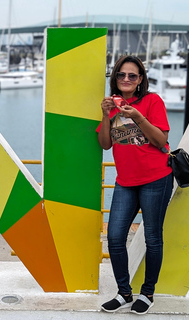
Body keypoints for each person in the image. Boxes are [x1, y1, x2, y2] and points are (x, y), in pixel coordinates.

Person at [97, 55, 173, 315]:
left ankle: (147, 293)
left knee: (153, 238)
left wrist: (139, 116)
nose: (126, 79)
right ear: (115, 79)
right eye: (121, 75)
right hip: (125, 181)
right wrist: (106, 114)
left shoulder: (152, 101)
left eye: (132, 75)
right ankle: (124, 292)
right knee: (115, 237)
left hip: (156, 178)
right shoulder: (113, 106)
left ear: (140, 80)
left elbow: (160, 139)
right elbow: (106, 144)